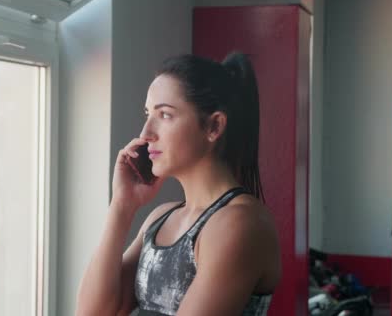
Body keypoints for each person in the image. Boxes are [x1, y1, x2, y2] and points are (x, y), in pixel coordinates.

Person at [76, 53, 281, 316]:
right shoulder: (161, 218)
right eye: (148, 114)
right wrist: (121, 206)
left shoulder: (238, 223)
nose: (145, 133)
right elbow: (91, 313)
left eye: (165, 115)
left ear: (214, 126)